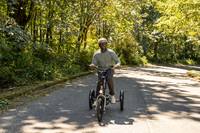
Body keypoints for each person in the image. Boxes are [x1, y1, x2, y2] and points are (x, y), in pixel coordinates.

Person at [90, 38, 120, 103]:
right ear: (99, 45)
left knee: (109, 79)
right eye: (101, 44)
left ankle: (112, 96)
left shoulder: (111, 52)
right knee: (99, 82)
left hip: (109, 69)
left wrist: (116, 66)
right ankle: (96, 98)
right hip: (100, 69)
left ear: (106, 44)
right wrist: (92, 65)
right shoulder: (96, 54)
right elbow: (93, 63)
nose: (103, 45)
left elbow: (118, 62)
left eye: (104, 43)